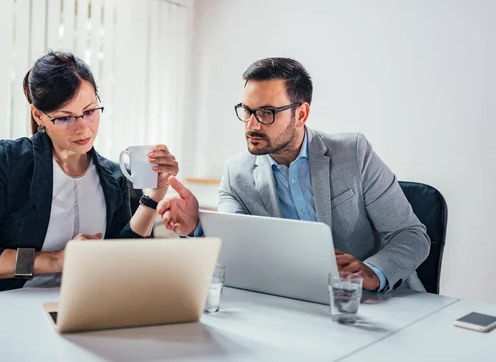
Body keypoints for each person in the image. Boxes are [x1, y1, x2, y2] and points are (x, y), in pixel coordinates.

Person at [157, 57, 430, 293]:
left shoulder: (353, 153)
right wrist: (196, 226)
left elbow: (411, 236)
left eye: (266, 112)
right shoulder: (237, 173)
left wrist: (372, 273)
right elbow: (236, 250)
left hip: (378, 302)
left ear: (301, 114)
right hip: (294, 304)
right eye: (247, 111)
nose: (251, 124)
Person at [0, 51, 178, 301]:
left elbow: (119, 258)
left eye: (90, 111)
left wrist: (154, 196)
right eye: (65, 118)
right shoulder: (11, 162)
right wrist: (56, 260)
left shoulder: (112, 177)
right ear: (38, 115)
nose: (83, 127)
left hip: (69, 309)